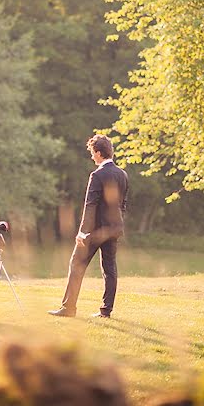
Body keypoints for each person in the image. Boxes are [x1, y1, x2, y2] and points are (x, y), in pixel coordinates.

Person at [49, 134, 128, 318]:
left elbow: (90, 204)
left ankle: (68, 309)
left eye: (93, 153)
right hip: (114, 229)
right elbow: (123, 204)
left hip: (94, 232)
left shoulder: (97, 175)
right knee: (110, 270)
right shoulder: (122, 174)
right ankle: (105, 311)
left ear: (99, 153)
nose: (92, 157)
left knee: (76, 264)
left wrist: (83, 232)